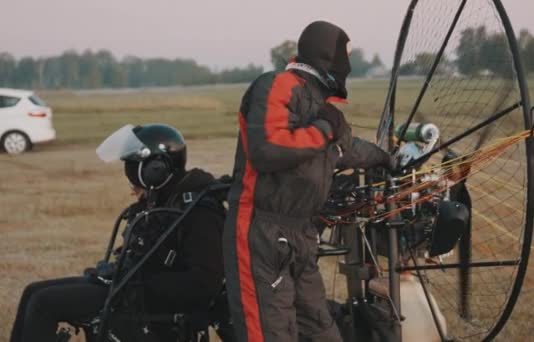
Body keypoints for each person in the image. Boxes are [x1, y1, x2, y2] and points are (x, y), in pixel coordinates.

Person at [223, 21, 394, 342]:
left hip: (301, 234)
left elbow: (345, 150)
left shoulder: (323, 109)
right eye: (345, 55)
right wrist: (324, 129)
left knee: (320, 329)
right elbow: (268, 149)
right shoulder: (277, 84)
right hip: (261, 231)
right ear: (328, 56)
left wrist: (385, 158)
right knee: (271, 332)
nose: (348, 65)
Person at [10, 124, 231, 342]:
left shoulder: (199, 211)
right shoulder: (164, 199)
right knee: (33, 292)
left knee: (44, 303)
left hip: (149, 304)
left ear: (156, 170)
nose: (131, 184)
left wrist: (137, 284)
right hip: (128, 289)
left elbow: (204, 285)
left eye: (135, 172)